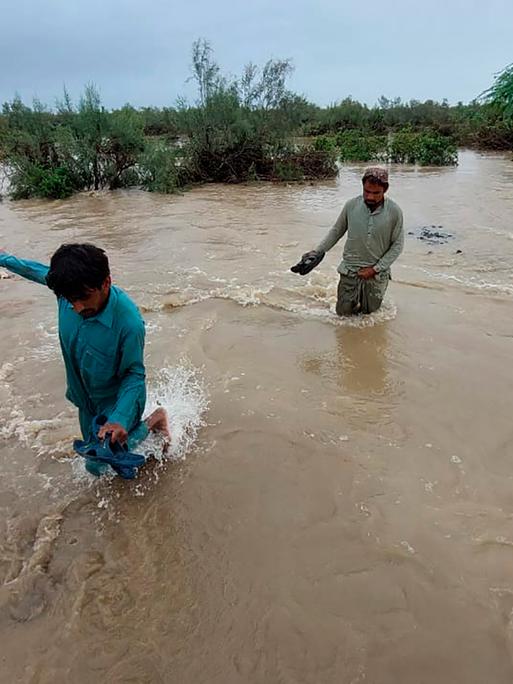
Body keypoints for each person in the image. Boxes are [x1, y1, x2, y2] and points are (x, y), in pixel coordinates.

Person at [0, 243, 170, 455]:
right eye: (71, 300)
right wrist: (3, 258)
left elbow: (134, 375)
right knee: (93, 453)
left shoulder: (129, 324)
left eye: (84, 298)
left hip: (117, 401)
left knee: (96, 463)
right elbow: (36, 270)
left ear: (106, 282)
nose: (78, 307)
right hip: (84, 399)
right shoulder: (67, 290)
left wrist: (119, 420)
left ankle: (154, 420)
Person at [296, 167, 404, 315]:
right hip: (350, 271)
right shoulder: (351, 206)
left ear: (385, 190)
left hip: (377, 276)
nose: (370, 197)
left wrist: (374, 269)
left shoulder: (394, 212)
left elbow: (397, 246)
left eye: (376, 193)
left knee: (371, 317)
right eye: (367, 191)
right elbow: (336, 232)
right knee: (343, 316)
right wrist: (317, 252)